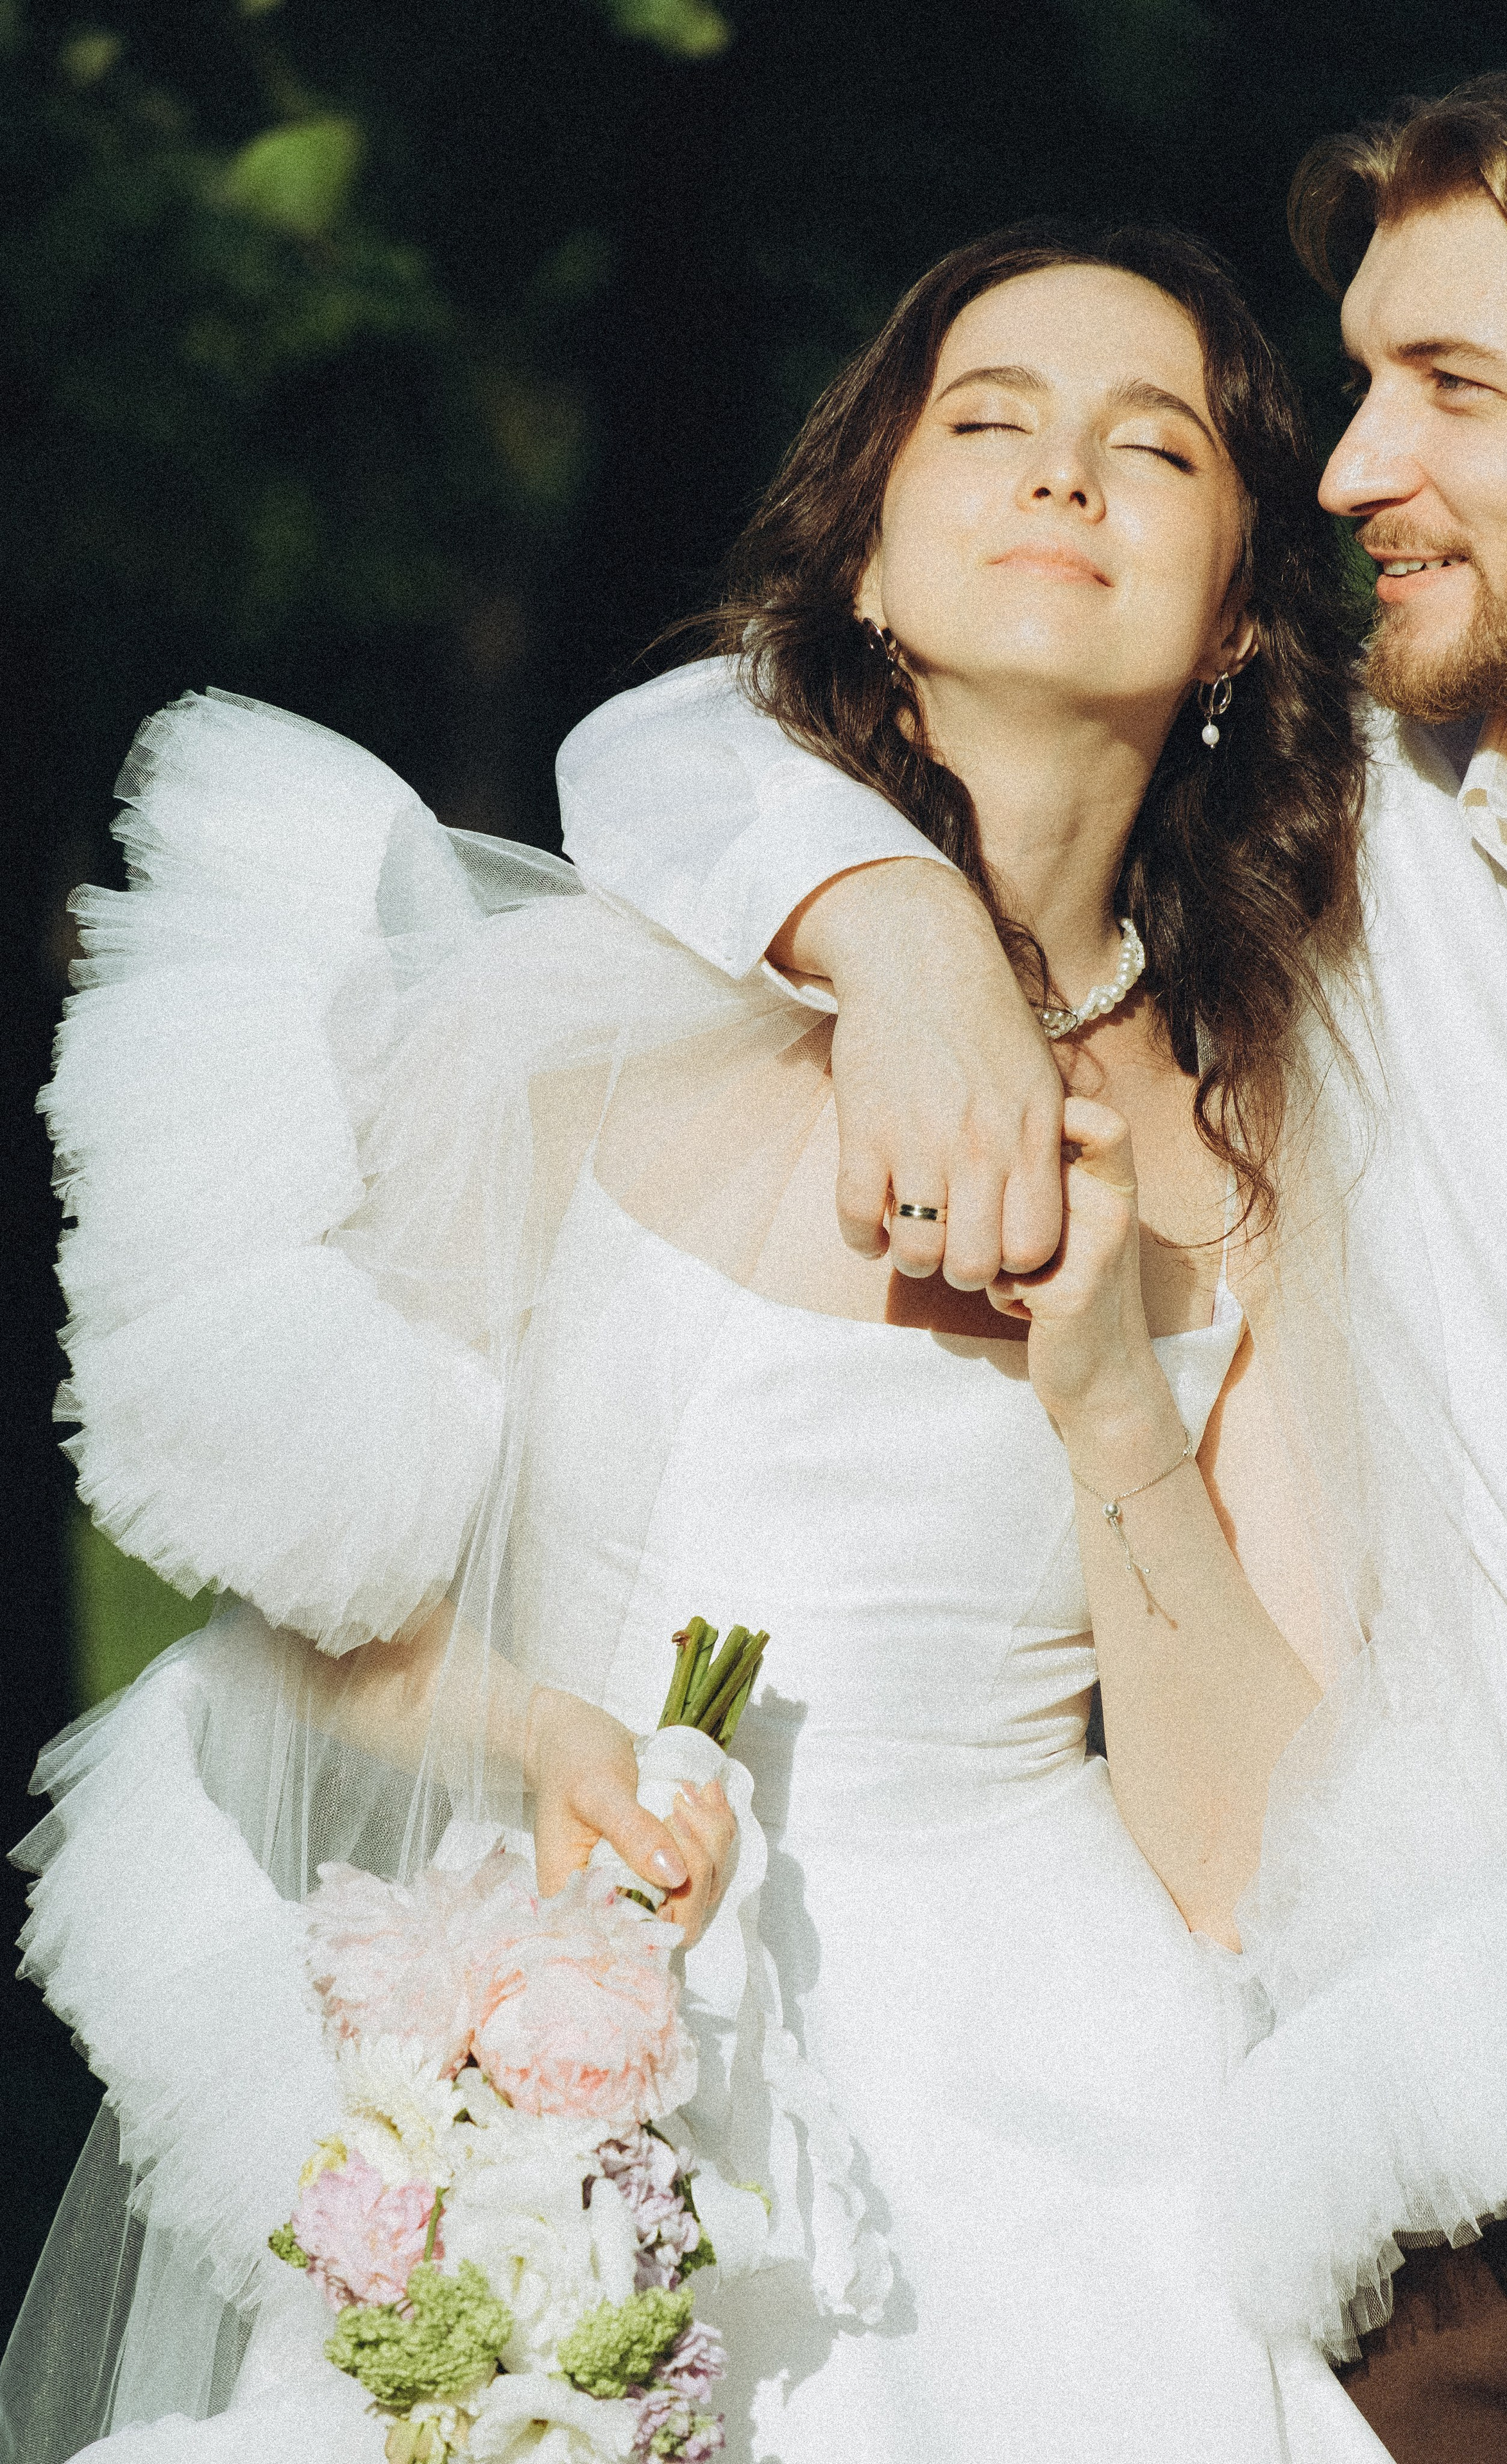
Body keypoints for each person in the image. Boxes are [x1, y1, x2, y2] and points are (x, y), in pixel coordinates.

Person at [3, 224, 1386, 2463]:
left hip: (1052, 2157)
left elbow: (1247, 1857)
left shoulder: (1264, 1152)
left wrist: (1114, 1403)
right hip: (562, 2058)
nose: (1064, 475)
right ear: (867, 558)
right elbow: (320, 1610)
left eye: (1155, 450)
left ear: (1236, 617)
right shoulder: (609, 1011)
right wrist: (530, 1730)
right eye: (988, 423)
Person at [557, 60, 1507, 2464]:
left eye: (1454, 388)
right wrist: (905, 925)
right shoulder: (1390, 879)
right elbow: (690, 738)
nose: (1357, 469)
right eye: (1356, 391)